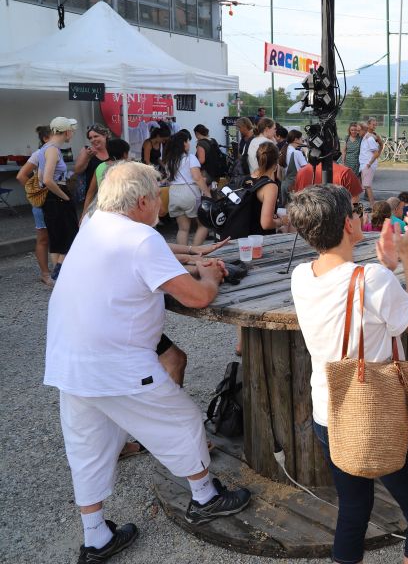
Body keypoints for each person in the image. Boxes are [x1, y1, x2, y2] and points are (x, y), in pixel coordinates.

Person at [43, 161, 251, 564]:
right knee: (183, 421)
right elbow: (197, 297)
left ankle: (96, 536)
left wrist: (193, 264)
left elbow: (141, 271)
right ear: (142, 201)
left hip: (69, 361)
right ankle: (205, 496)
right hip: (115, 363)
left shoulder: (94, 224)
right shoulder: (140, 238)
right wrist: (210, 276)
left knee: (89, 448)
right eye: (157, 194)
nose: (161, 201)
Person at [287, 184, 408, 564]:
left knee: (354, 509)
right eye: (355, 211)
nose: (361, 216)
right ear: (346, 224)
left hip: (331, 411)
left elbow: (361, 310)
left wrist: (384, 270)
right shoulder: (371, 280)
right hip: (378, 411)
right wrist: (406, 259)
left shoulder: (301, 275)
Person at [40, 117, 81, 280]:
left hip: (51, 197)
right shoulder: (53, 150)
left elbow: (42, 176)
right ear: (67, 131)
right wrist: (65, 197)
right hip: (57, 195)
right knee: (70, 236)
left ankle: (59, 278)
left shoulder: (46, 148)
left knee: (57, 239)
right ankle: (60, 275)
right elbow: (47, 179)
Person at [16, 125, 54, 286]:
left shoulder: (55, 151)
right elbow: (21, 175)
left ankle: (57, 271)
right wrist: (34, 192)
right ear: (46, 138)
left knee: (57, 236)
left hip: (55, 201)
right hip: (43, 202)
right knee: (44, 238)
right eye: (55, 134)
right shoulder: (39, 153)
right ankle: (45, 274)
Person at [162, 130, 210, 247]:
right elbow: (197, 177)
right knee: (204, 224)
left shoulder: (169, 160)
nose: (189, 144)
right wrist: (207, 193)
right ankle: (194, 252)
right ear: (183, 144)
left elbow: (169, 178)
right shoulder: (190, 158)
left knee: (183, 229)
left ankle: (184, 255)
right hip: (189, 193)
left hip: (174, 193)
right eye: (187, 141)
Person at [293, 154, 363, 202]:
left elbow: (297, 200)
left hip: (306, 222)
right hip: (337, 222)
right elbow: (355, 202)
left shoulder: (301, 172)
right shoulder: (345, 173)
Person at [75, 124, 112, 210]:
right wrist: (88, 158)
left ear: (105, 135)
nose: (93, 140)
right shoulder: (87, 150)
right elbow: (77, 170)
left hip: (111, 192)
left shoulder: (113, 149)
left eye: (96, 136)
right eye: (90, 138)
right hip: (93, 194)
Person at [279, 129, 308, 203]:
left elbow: (278, 175)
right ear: (296, 139)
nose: (303, 141)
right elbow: (307, 169)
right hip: (293, 185)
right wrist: (306, 152)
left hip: (283, 185)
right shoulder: (296, 153)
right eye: (301, 139)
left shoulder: (283, 150)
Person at [359, 117, 382, 205]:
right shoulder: (366, 137)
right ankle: (369, 207)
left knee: (366, 187)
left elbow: (376, 153)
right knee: (364, 187)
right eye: (373, 124)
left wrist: (369, 163)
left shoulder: (370, 138)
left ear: (364, 130)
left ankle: (372, 207)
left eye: (359, 130)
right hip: (364, 165)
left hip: (367, 165)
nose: (358, 132)